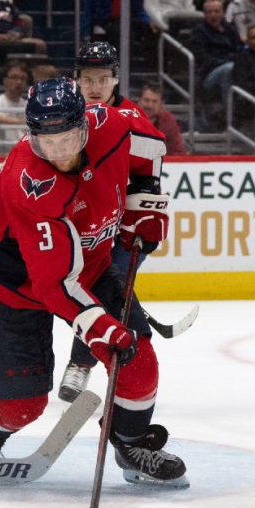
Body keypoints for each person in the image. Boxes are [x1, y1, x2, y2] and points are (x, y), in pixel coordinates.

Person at [0, 78, 187, 487]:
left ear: (85, 124)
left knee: (139, 362)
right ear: (31, 137)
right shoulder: (28, 183)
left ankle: (131, 442)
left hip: (93, 270)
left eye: (68, 139)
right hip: (18, 287)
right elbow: (55, 284)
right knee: (22, 406)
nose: (60, 154)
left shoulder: (112, 124)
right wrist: (101, 331)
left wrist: (145, 196)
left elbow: (151, 147)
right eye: (48, 144)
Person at [58, 42, 169, 401]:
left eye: (102, 79)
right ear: (76, 80)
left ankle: (82, 365)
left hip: (112, 231)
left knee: (104, 295)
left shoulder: (134, 122)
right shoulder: (61, 113)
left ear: (116, 80)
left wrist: (145, 215)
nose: (94, 87)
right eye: (87, 79)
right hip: (67, 224)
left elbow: (150, 174)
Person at [138, 81, 185, 155]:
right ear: (139, 101)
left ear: (161, 104)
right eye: (146, 100)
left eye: (154, 102)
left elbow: (177, 151)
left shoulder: (167, 120)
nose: (149, 105)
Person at [0, 60, 29, 142]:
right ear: (5, 80)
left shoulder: (28, 104)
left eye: (23, 78)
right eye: (14, 77)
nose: (19, 82)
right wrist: (24, 121)